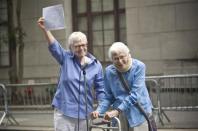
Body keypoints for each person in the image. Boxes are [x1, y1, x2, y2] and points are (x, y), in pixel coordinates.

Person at [37, 17, 105, 131]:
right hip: (64, 113)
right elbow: (54, 47)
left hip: (85, 114)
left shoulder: (96, 65)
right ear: (71, 47)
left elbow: (100, 89)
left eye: (83, 45)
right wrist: (46, 29)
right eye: (77, 46)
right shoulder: (65, 58)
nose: (81, 48)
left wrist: (100, 109)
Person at [91, 42, 153, 131]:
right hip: (120, 116)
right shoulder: (109, 71)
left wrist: (117, 111)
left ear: (128, 55)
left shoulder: (139, 67)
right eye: (116, 58)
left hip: (139, 113)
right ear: (112, 60)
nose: (120, 61)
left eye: (122, 57)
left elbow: (135, 94)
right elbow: (108, 97)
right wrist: (98, 111)